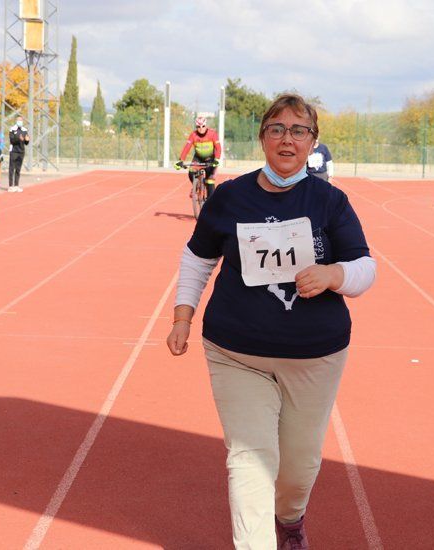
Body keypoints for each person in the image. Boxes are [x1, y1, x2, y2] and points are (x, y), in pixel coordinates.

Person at [167, 94, 376, 549]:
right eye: (277, 129)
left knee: (299, 467)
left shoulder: (330, 202)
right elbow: (197, 257)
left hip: (314, 358)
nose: (287, 139)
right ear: (263, 137)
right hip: (235, 352)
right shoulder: (230, 196)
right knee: (250, 459)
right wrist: (183, 314)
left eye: (299, 130)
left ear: (313, 142)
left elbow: (365, 268)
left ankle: (292, 517)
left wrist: (334, 274)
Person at [176, 116, 221, 197]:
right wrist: (181, 160)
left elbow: (218, 148)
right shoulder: (193, 135)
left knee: (210, 181)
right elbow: (187, 148)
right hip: (198, 158)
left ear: (206, 125)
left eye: (203, 126)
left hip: (211, 159)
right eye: (198, 127)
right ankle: (196, 186)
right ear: (196, 126)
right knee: (191, 172)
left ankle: (210, 203)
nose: (201, 129)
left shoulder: (213, 134)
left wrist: (217, 159)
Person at [8, 116, 29, 192]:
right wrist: (18, 139)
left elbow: (26, 142)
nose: (20, 121)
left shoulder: (24, 130)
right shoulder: (12, 129)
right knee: (11, 168)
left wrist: (27, 140)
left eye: (21, 120)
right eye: (18, 120)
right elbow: (12, 140)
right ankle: (11, 186)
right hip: (14, 151)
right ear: (16, 121)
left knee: (18, 169)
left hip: (21, 151)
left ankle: (16, 185)